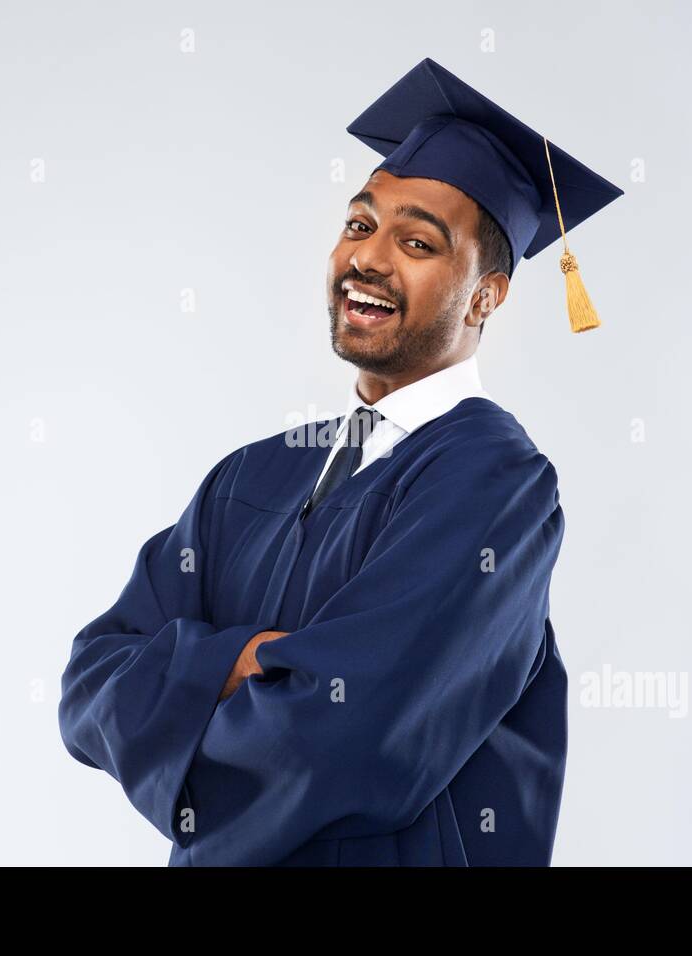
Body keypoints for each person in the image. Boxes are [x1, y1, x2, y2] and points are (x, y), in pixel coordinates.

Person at [57, 57, 623, 866]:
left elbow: (351, 744)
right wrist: (250, 660)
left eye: (418, 242)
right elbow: (89, 683)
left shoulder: (495, 484)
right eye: (360, 226)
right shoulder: (250, 477)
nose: (369, 258)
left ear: (487, 295)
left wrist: (182, 692)